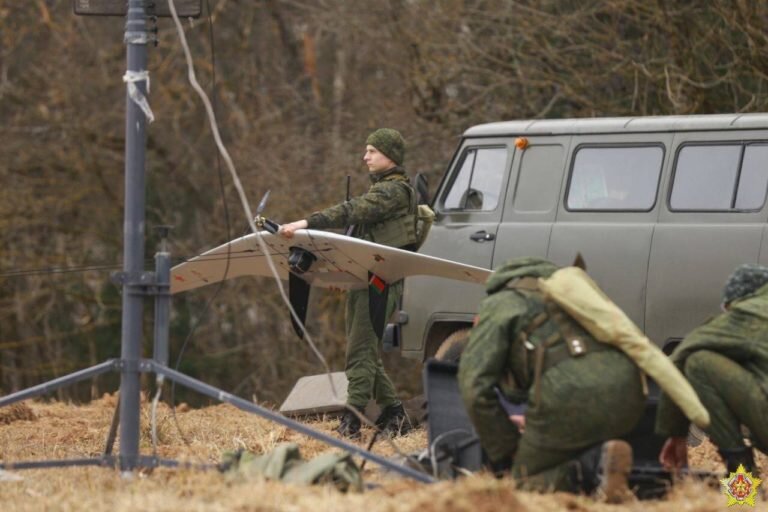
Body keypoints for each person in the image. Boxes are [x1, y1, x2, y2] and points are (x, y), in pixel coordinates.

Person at [457, 257, 646, 501]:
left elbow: (474, 390)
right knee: (565, 445)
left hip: (566, 396)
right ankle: (604, 466)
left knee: (525, 485)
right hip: (632, 390)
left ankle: (595, 468)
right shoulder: (572, 294)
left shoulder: (499, 305)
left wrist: (509, 446)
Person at [279, 128, 417, 439]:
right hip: (366, 279)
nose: (364, 156)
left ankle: (351, 420)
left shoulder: (393, 192)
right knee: (363, 350)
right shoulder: (382, 189)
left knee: (360, 352)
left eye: (372, 151)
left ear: (390, 156)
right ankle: (394, 414)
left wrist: (307, 222)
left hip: (381, 282)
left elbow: (353, 210)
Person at [657, 264, 768, 475]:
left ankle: (741, 494)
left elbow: (681, 357)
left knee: (699, 363)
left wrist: (676, 434)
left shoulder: (749, 314)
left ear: (736, 302)